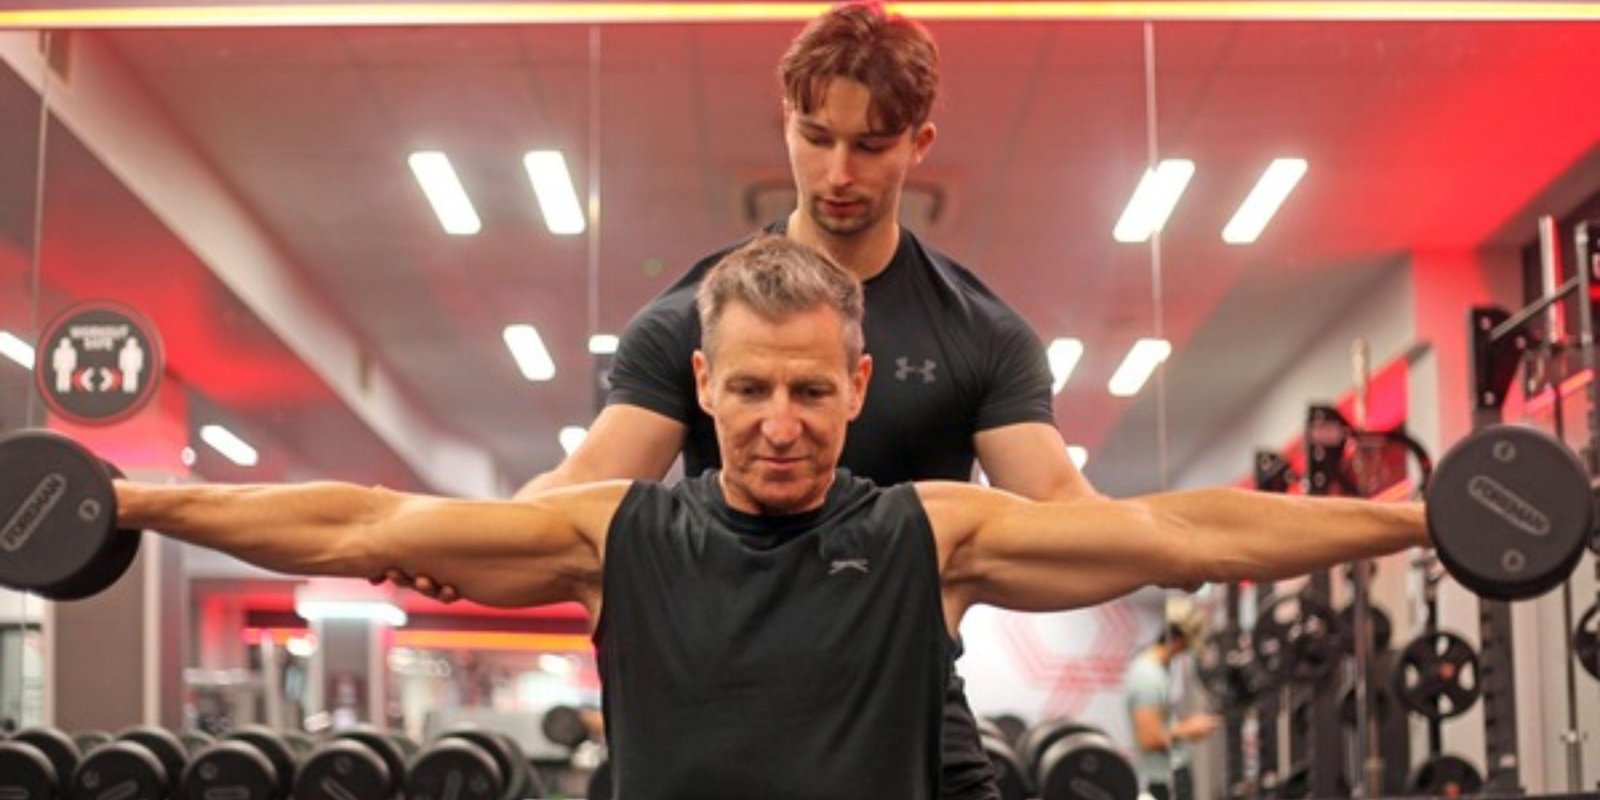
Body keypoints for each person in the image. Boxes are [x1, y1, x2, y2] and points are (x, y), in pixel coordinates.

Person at [108, 237, 1428, 800]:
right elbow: (362, 526)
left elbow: (1187, 539)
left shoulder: (932, 535)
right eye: (748, 390)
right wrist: (127, 500)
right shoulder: (614, 534)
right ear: (702, 385)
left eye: (808, 389)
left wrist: (1424, 526)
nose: (779, 422)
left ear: (857, 386)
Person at [388, 6, 1092, 797]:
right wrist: (469, 545)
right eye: (816, 137)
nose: (838, 174)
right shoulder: (688, 320)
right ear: (786, 122)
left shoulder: (980, 335)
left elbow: (1063, 513)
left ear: (918, 143)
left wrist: (1177, 547)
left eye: (870, 146)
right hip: (721, 704)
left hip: (907, 710)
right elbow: (580, 485)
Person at [1124, 597, 1220, 800]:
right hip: (1165, 783)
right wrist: (1189, 729)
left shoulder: (1158, 670)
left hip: (1170, 777)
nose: (1188, 649)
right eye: (1188, 643)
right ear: (1179, 639)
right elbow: (1149, 739)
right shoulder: (1148, 675)